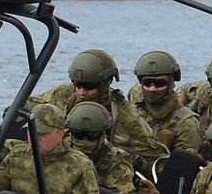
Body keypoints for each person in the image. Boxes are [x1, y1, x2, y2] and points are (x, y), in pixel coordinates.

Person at [31, 49, 166, 166]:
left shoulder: (125, 116)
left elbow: (156, 156)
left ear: (105, 83)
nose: (81, 92)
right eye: (78, 85)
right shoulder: (64, 94)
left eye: (89, 86)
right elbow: (28, 107)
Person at [126, 50, 202, 156]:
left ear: (171, 83)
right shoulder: (135, 95)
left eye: (160, 83)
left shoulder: (187, 123)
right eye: (147, 83)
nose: (152, 88)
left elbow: (184, 165)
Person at [65, 99, 133, 194]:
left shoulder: (116, 159)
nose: (84, 141)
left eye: (92, 136)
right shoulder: (57, 150)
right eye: (78, 134)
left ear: (103, 134)